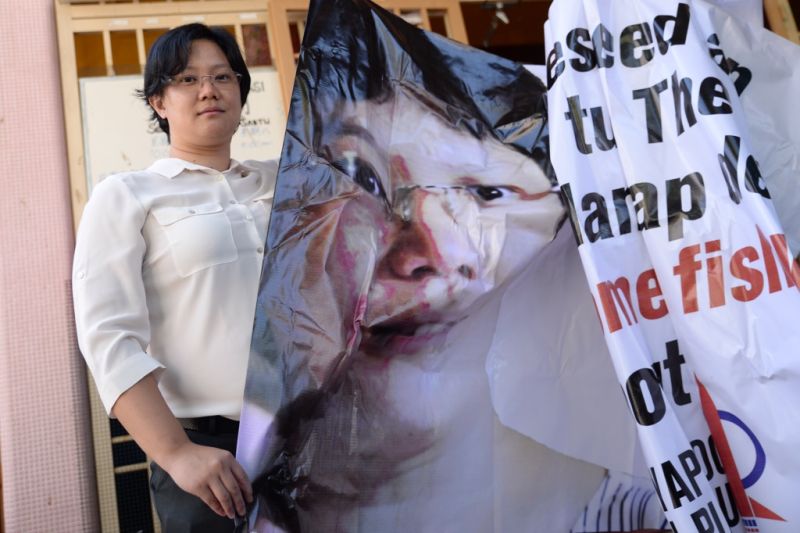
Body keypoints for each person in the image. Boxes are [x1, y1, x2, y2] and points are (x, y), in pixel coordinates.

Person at [236, 83, 666, 532]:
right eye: (365, 177)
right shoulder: (267, 489)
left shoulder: (649, 500)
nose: (421, 254)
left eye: (488, 194)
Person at [73, 23, 277, 531]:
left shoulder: (285, 180)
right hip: (211, 461)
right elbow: (109, 339)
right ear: (159, 102)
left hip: (318, 439)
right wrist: (177, 453)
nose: (209, 89)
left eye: (223, 77)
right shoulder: (126, 195)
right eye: (187, 79)